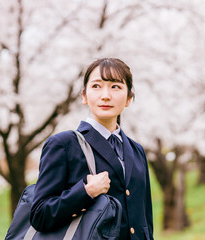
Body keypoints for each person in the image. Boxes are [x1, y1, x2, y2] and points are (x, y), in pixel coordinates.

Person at [30, 58, 154, 240]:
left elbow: (145, 219)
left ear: (129, 98)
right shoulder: (64, 144)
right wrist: (86, 192)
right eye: (96, 86)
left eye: (115, 87)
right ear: (84, 96)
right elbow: (40, 215)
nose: (105, 95)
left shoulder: (136, 151)